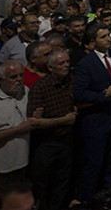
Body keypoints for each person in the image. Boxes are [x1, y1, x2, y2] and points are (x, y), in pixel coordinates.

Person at [73, 24, 111, 202]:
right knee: (94, 162)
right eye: (103, 37)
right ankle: (88, 197)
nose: (108, 39)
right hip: (96, 120)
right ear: (92, 42)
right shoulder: (85, 64)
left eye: (108, 35)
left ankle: (106, 190)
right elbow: (80, 93)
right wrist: (105, 94)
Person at [26, 50, 76, 210]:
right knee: (42, 184)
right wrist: (64, 120)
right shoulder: (41, 87)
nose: (66, 65)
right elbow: (34, 122)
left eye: (67, 62)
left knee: (63, 182)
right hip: (47, 143)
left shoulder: (71, 81)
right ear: (50, 67)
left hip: (68, 141)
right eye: (61, 63)